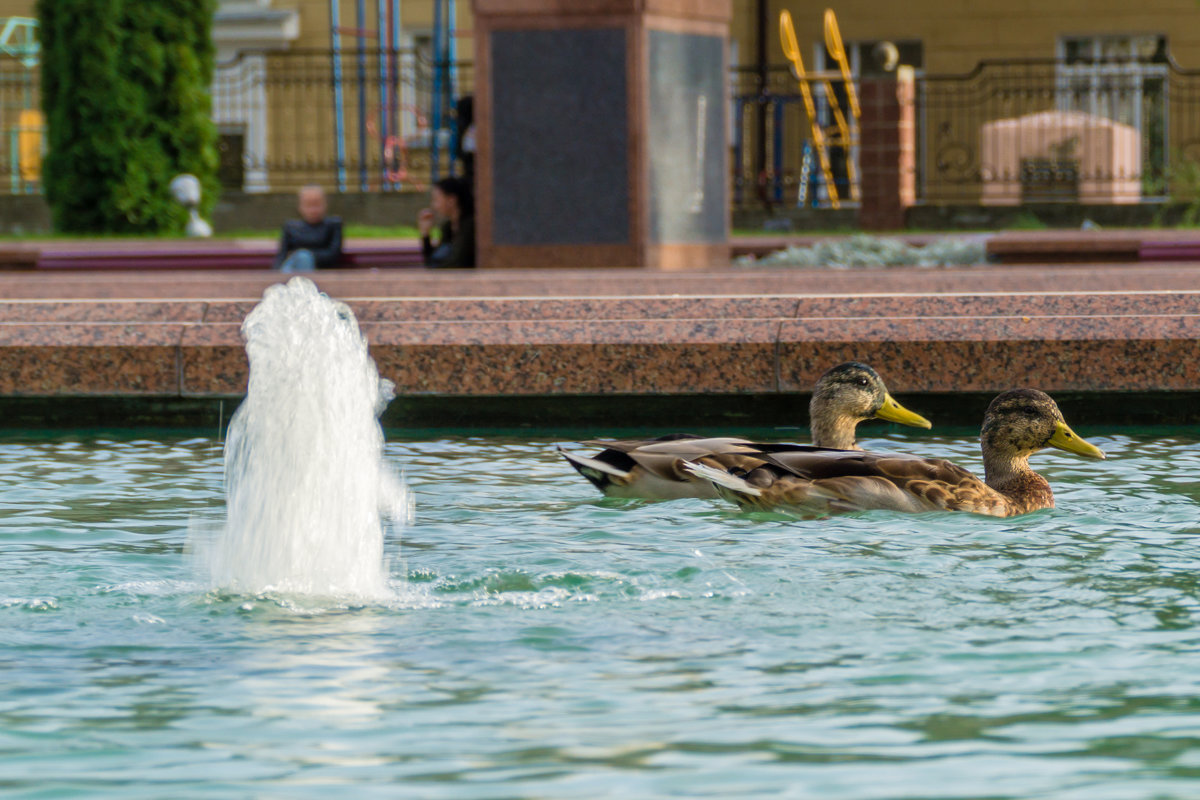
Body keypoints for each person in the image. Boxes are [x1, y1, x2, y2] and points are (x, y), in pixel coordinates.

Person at [274, 185, 343, 272]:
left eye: (317, 204)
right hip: (292, 272)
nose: (313, 210)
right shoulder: (290, 227)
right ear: (300, 207)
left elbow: (333, 255)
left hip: (319, 272)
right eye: (308, 205)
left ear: (325, 204)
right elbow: (281, 257)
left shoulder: (333, 225)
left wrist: (305, 254)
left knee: (304, 257)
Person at [417, 177, 475, 269]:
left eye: (436, 199)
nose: (433, 206)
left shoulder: (470, 227)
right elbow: (432, 260)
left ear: (451, 200)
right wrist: (426, 235)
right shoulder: (447, 227)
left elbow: (455, 263)